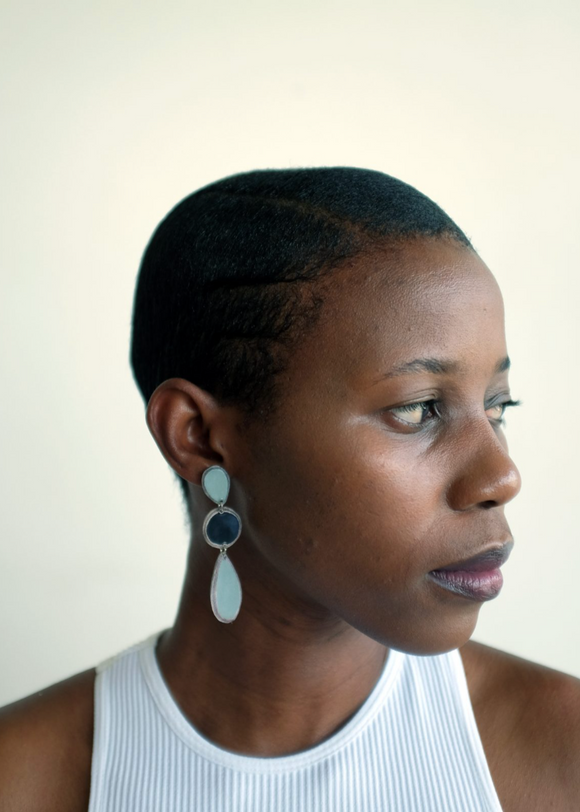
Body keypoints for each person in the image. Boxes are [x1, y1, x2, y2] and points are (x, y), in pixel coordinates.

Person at [1, 167, 579, 811]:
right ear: (199, 438)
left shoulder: (562, 757)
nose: (501, 477)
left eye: (499, 406)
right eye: (418, 409)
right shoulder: (23, 779)